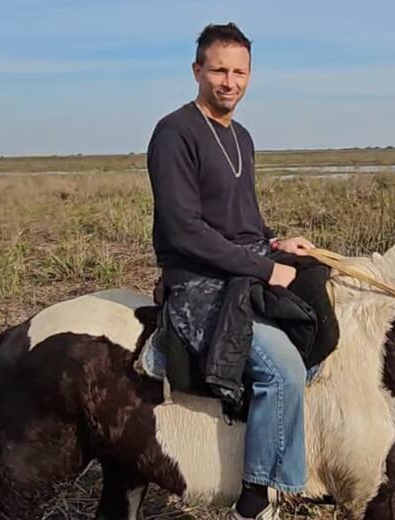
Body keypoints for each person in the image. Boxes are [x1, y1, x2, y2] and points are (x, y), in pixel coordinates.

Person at [146, 22, 314, 520]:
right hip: (197, 279)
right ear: (197, 70)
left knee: (324, 318)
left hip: (240, 266)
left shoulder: (242, 136)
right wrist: (264, 268)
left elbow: (243, 220)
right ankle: (254, 502)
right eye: (218, 69)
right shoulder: (174, 132)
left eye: (240, 71)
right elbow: (184, 232)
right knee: (283, 371)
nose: (229, 81)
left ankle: (268, 438)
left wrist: (277, 243)